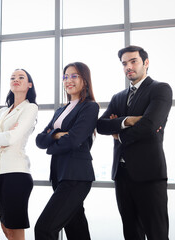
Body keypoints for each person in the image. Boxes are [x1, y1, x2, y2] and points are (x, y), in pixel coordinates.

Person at [97, 45, 172, 240]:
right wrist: (126, 121)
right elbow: (101, 125)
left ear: (146, 63)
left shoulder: (160, 89)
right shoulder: (118, 97)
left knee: (157, 234)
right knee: (131, 233)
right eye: (124, 64)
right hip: (122, 176)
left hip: (149, 175)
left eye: (133, 61)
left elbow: (149, 125)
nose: (128, 67)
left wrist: (119, 135)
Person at [34, 62, 99, 240]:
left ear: (85, 80)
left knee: (44, 229)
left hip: (76, 176)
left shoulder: (90, 107)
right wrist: (55, 136)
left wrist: (51, 143)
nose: (68, 80)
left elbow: (74, 140)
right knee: (76, 230)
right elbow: (39, 140)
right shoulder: (60, 110)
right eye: (65, 77)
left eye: (74, 76)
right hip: (60, 175)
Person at [0, 69, 38, 240]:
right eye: (13, 77)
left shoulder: (30, 108)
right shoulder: (2, 112)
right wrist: (1, 140)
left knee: (15, 230)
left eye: (21, 77)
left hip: (16, 173)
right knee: (6, 228)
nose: (16, 79)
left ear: (29, 84)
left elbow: (12, 138)